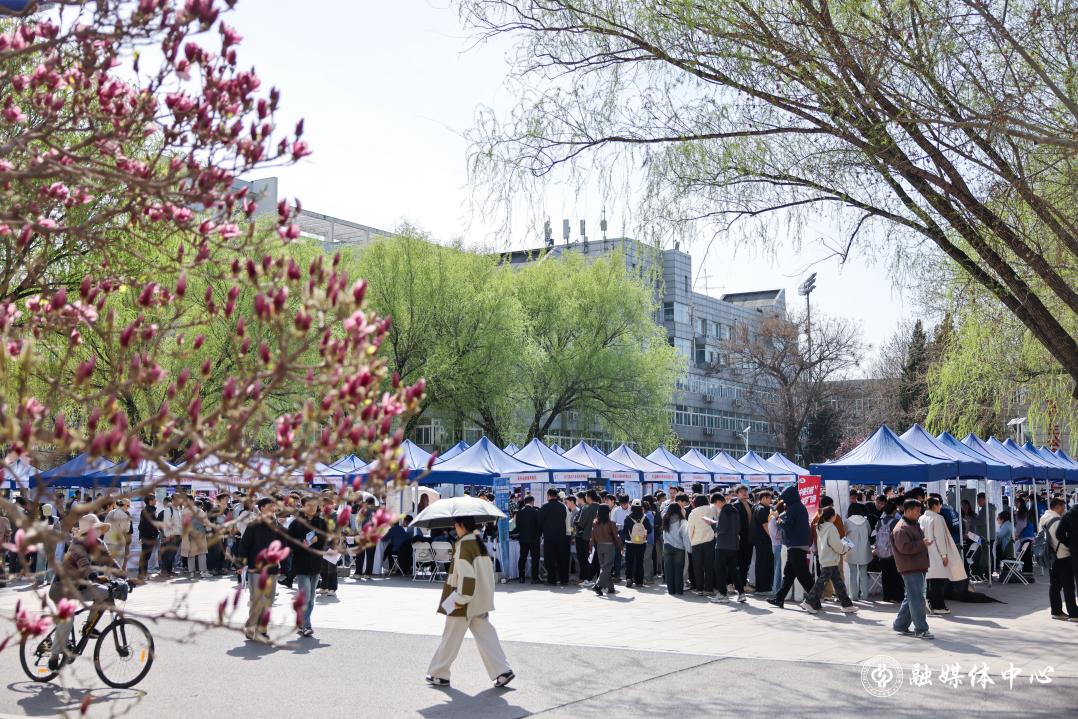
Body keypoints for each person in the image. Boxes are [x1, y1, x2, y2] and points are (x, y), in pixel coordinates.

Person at [426, 516, 514, 689]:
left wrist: (460, 599)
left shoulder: (463, 545)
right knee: (487, 637)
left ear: (461, 525)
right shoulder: (477, 543)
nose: (454, 528)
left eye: (455, 525)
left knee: (450, 638)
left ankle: (439, 674)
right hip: (479, 599)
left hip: (463, 601)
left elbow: (466, 577)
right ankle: (502, 671)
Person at [47, 513, 121, 670]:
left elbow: (110, 561)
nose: (99, 532)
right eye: (96, 529)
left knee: (105, 593)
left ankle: (88, 626)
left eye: (99, 528)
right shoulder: (77, 545)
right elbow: (84, 565)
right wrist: (95, 577)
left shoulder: (99, 544)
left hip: (80, 587)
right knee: (67, 620)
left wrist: (125, 576)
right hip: (61, 589)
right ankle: (54, 655)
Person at [237, 497, 282, 643]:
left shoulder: (277, 526)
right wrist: (240, 564)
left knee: (269, 600)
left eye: (274, 506)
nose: (273, 509)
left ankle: (262, 629)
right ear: (261, 508)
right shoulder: (253, 526)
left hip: (272, 568)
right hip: (255, 568)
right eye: (270, 506)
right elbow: (244, 546)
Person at [801, 506, 856, 613]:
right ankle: (808, 602)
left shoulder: (820, 527)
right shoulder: (831, 528)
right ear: (832, 516)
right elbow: (836, 545)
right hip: (830, 559)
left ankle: (847, 605)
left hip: (826, 558)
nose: (836, 516)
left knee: (838, 584)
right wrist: (846, 548)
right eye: (834, 514)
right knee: (822, 583)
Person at [891, 499, 934, 639]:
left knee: (911, 597)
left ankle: (900, 625)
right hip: (910, 567)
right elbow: (904, 548)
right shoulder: (901, 528)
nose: (919, 513)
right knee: (917, 599)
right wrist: (922, 543)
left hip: (916, 566)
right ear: (908, 511)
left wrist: (922, 543)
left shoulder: (912, 524)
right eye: (917, 511)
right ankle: (921, 629)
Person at [287, 495, 326, 637]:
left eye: (315, 505)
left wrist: (318, 539)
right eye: (309, 505)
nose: (312, 508)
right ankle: (306, 625)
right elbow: (289, 542)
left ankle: (301, 621)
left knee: (311, 597)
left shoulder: (321, 522)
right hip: (301, 564)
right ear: (302, 506)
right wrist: (302, 542)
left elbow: (326, 539)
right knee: (306, 596)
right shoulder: (296, 523)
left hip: (316, 563)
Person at [768, 485, 813, 609]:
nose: (784, 501)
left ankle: (814, 599)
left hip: (795, 545)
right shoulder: (800, 507)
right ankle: (779, 599)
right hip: (799, 544)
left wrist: (778, 518)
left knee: (802, 575)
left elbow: (787, 527)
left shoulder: (793, 509)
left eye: (785, 498)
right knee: (789, 574)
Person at [920, 496, 965, 614]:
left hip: (925, 553)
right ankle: (937, 606)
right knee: (939, 581)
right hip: (936, 553)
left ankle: (929, 601)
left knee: (930, 580)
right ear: (935, 505)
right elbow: (940, 538)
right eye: (939, 504)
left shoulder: (921, 518)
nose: (940, 506)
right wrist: (944, 555)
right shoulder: (938, 518)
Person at [1042, 497, 1077, 620]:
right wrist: (1071, 548)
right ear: (1057, 507)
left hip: (1051, 556)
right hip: (1062, 556)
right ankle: (1073, 613)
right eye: (1063, 506)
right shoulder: (1056, 521)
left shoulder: (1044, 518)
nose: (1064, 509)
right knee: (1069, 586)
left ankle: (1056, 611)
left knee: (1055, 585)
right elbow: (1059, 538)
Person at [711, 493, 745, 604]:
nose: (716, 506)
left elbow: (721, 529)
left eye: (715, 504)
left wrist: (712, 524)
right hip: (734, 545)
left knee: (720, 570)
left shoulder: (724, 511)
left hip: (722, 545)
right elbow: (738, 528)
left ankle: (722, 594)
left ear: (718, 501)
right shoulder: (734, 510)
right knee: (734, 570)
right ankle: (741, 593)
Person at [537, 488, 570, 585]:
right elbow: (567, 520)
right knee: (562, 559)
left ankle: (552, 580)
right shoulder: (563, 506)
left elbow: (540, 522)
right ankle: (564, 580)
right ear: (557, 495)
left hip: (549, 537)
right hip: (562, 536)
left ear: (548, 496)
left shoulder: (544, 507)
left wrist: (542, 531)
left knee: (549, 559)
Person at [875, 499, 905, 602]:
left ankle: (887, 596)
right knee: (896, 575)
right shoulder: (896, 522)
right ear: (894, 511)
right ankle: (897, 596)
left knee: (885, 575)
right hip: (893, 553)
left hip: (882, 553)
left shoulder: (879, 522)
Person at [589, 504, 622, 596]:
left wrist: (590, 547)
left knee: (604, 567)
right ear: (608, 513)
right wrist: (621, 547)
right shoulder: (611, 524)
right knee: (607, 567)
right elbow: (617, 536)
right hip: (609, 547)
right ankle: (598, 585)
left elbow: (592, 537)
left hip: (599, 546)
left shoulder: (595, 523)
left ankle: (611, 587)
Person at [687, 495, 717, 596]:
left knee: (698, 567)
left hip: (696, 542)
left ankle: (699, 588)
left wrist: (691, 541)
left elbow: (690, 529)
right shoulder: (711, 510)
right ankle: (709, 588)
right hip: (710, 541)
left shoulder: (693, 513)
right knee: (709, 566)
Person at [845, 502, 872, 601]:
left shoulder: (847, 521)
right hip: (864, 550)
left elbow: (843, 536)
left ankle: (853, 596)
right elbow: (869, 533)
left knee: (853, 574)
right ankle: (865, 595)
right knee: (863, 573)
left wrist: (849, 545)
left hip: (851, 550)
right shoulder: (865, 521)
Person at [662, 501, 690, 595]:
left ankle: (671, 590)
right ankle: (679, 590)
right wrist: (689, 549)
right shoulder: (682, 521)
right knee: (679, 570)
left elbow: (664, 535)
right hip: (679, 548)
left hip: (667, 546)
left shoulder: (665, 519)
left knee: (669, 570)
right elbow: (685, 536)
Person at [622, 499, 651, 588]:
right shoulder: (645, 517)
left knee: (629, 561)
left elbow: (624, 531)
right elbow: (650, 529)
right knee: (639, 561)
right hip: (642, 542)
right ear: (641, 507)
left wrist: (629, 537)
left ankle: (629, 578)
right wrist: (643, 535)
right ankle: (639, 581)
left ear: (632, 507)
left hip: (630, 542)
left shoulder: (628, 517)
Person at [180, 495, 210, 579]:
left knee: (191, 554)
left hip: (189, 535)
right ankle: (203, 572)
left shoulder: (183, 512)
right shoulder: (200, 511)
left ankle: (192, 572)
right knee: (202, 553)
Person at [574, 490, 600, 584]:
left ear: (588, 497)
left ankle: (584, 577)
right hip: (597, 537)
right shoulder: (600, 507)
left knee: (583, 558)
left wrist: (575, 522)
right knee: (595, 558)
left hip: (584, 536)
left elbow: (581, 523)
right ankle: (596, 577)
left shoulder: (586, 507)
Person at [514, 495, 541, 584]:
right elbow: (539, 526)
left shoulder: (519, 513)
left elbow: (517, 527)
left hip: (523, 539)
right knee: (535, 558)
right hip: (534, 539)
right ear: (532, 502)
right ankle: (534, 578)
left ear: (525, 502)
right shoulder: (536, 512)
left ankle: (521, 577)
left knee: (522, 557)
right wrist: (539, 535)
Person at [732, 485, 754, 588]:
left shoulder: (751, 505)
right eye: (741, 492)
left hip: (750, 538)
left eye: (745, 491)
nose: (744, 493)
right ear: (737, 494)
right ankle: (737, 584)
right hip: (739, 538)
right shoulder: (735, 506)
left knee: (747, 561)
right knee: (739, 562)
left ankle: (743, 583)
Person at [752, 491, 774, 593]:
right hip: (763, 541)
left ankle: (763, 587)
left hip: (760, 541)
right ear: (764, 498)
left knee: (763, 563)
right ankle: (762, 588)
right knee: (764, 564)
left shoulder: (756, 507)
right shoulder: (761, 509)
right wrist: (773, 538)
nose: (771, 500)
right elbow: (765, 526)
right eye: (769, 498)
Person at [104, 499, 132, 572]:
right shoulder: (124, 515)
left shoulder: (110, 512)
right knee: (118, 564)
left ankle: (107, 578)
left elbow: (105, 525)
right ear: (124, 505)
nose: (128, 508)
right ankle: (115, 578)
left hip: (107, 540)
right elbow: (126, 530)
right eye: (128, 506)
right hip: (117, 542)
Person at [159, 494, 182, 578]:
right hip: (171, 536)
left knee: (173, 554)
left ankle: (169, 570)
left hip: (178, 535)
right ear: (173, 500)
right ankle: (164, 571)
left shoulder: (179, 510)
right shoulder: (169, 510)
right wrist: (167, 535)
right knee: (168, 554)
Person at [767, 499, 785, 596]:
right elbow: (776, 534)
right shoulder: (774, 519)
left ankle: (777, 589)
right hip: (778, 545)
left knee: (779, 568)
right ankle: (776, 590)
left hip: (777, 545)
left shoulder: (775, 517)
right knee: (778, 568)